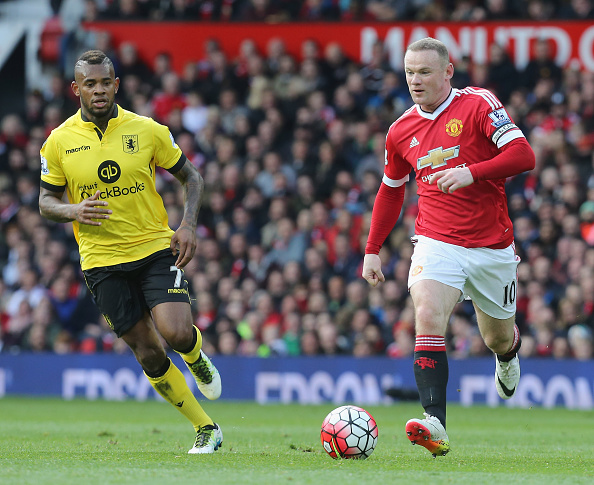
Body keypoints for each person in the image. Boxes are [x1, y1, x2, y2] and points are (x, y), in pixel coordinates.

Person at [38, 50, 223, 454]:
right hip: (101, 261)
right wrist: (73, 209)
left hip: (154, 247)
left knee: (175, 333)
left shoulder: (147, 130)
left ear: (116, 85)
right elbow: (45, 201)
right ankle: (206, 428)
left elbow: (191, 177)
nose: (99, 90)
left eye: (105, 82)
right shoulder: (58, 142)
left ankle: (194, 355)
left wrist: (187, 225)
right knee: (149, 352)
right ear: (76, 89)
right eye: (90, 84)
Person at [362, 38, 535, 457]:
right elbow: (390, 190)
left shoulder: (478, 104)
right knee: (426, 313)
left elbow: (523, 155)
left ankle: (508, 352)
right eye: (409, 72)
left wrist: (471, 173)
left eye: (424, 72)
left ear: (447, 72)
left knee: (495, 337)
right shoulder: (400, 129)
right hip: (437, 240)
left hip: (492, 245)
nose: (415, 81)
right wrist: (372, 247)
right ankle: (435, 422)